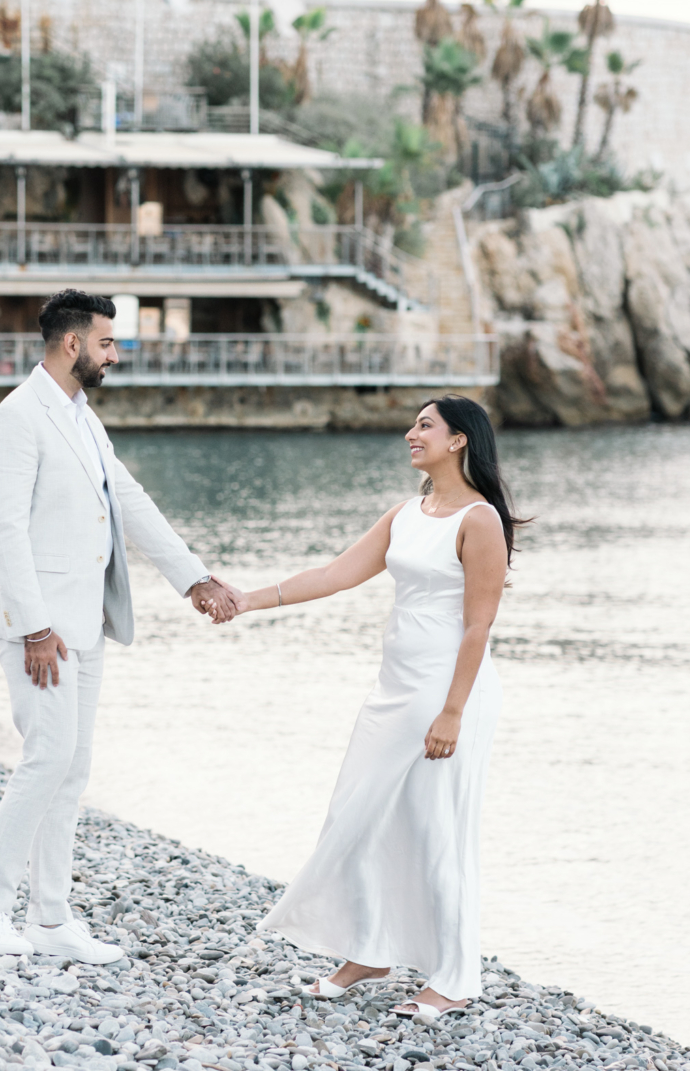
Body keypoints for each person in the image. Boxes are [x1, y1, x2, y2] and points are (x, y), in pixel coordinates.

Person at [0, 289, 236, 961]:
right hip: (40, 629)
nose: (117, 354)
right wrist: (32, 627)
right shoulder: (16, 418)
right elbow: (7, 531)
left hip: (83, 624)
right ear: (73, 343)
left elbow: (128, 501)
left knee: (72, 767)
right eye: (108, 343)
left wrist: (193, 578)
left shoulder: (81, 417)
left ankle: (50, 920)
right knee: (47, 755)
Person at [229, 395, 523, 1020]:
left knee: (436, 828)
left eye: (425, 426)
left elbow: (479, 626)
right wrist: (247, 599)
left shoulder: (480, 521)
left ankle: (455, 976)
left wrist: (452, 712)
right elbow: (335, 574)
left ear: (459, 440)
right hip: (393, 689)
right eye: (414, 424)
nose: (410, 434)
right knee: (353, 816)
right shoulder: (407, 513)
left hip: (447, 691)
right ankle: (370, 948)